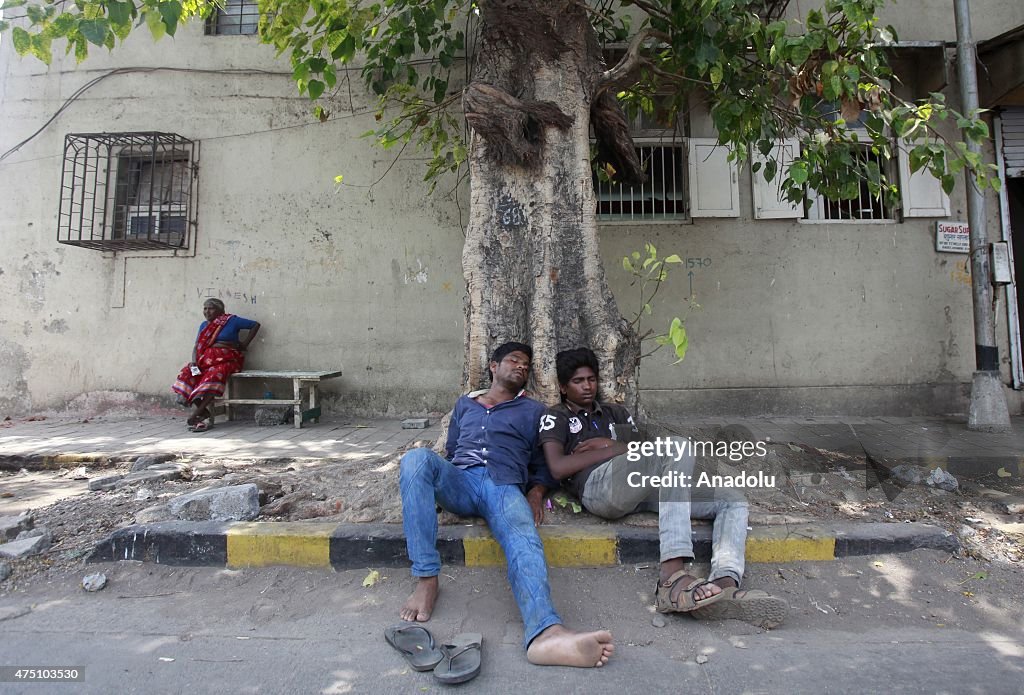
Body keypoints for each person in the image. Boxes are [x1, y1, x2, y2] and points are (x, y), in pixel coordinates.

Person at [397, 342, 615, 668]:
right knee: (415, 459)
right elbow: (453, 448)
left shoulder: (536, 411)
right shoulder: (465, 404)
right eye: (514, 361)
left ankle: (546, 633)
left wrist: (537, 492)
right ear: (493, 366)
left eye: (526, 365)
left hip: (504, 486)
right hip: (460, 479)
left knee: (523, 537)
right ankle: (427, 579)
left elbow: (543, 464)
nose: (521, 367)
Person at [539, 347, 787, 628]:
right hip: (599, 489)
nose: (587, 386)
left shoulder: (615, 413)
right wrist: (610, 451)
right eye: (578, 381)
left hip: (638, 487)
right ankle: (671, 575)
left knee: (732, 500)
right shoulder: (556, 417)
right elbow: (558, 467)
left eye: (591, 379)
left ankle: (725, 584)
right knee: (677, 447)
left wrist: (610, 445)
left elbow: (638, 451)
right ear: (562, 387)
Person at [172, 298, 260, 432]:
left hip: (227, 360)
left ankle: (197, 414)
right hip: (204, 360)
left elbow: (255, 325)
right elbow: (197, 346)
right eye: (205, 308)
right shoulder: (204, 325)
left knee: (213, 376)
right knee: (187, 374)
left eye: (211, 308)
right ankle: (204, 413)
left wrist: (244, 344)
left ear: (220, 310)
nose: (207, 311)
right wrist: (194, 362)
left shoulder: (231, 321)